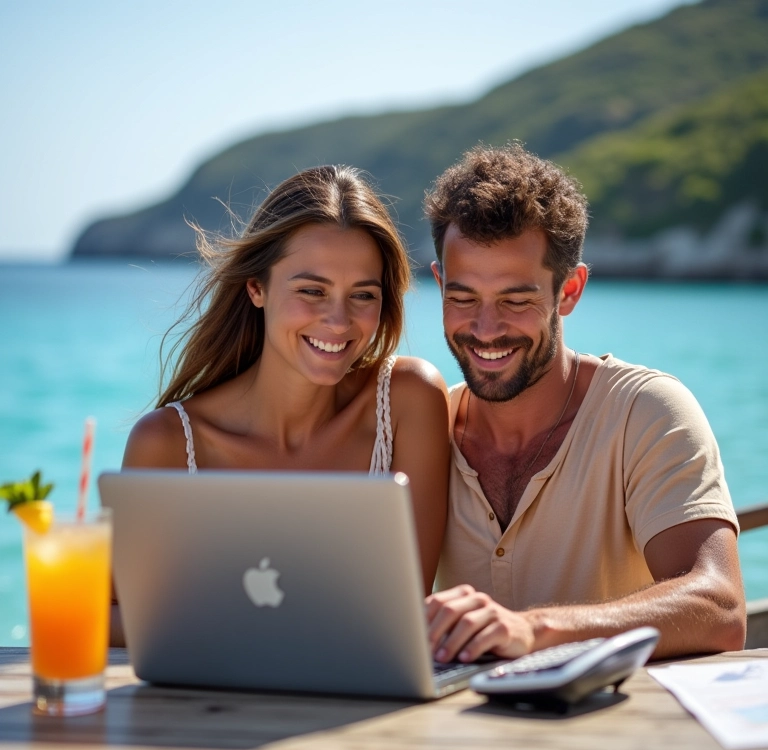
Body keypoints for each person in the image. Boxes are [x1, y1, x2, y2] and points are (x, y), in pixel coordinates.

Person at [422, 143, 746, 662]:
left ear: (569, 291)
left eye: (516, 300)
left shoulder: (647, 411)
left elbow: (720, 607)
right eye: (463, 298)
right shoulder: (422, 429)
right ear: (438, 285)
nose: (485, 330)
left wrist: (535, 630)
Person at [114, 165, 450, 645]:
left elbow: (405, 620)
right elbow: (103, 617)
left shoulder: (407, 401)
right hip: (207, 711)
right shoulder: (168, 444)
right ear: (257, 288)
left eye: (363, 295)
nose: (338, 320)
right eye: (312, 291)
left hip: (359, 714)